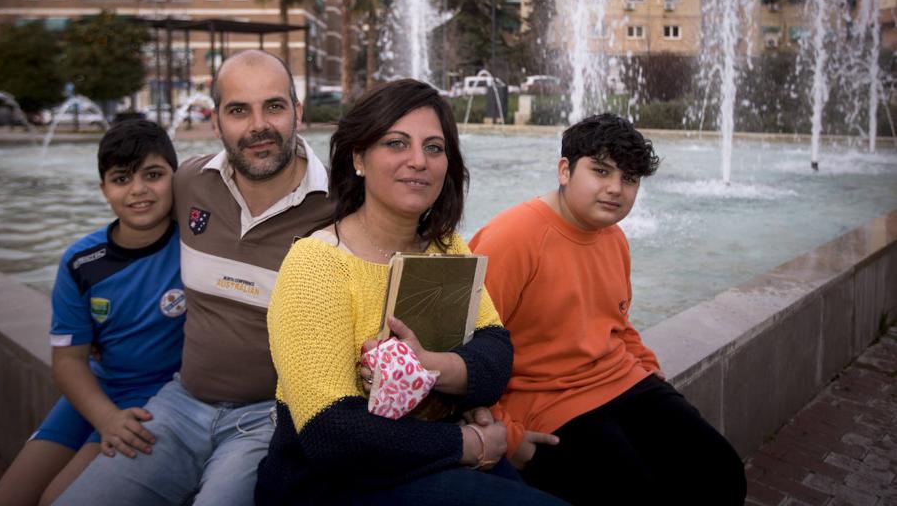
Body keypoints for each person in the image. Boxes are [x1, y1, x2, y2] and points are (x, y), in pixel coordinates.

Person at [255, 79, 569, 506]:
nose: (418, 161)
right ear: (359, 159)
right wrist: (468, 443)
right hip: (335, 485)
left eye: (434, 148)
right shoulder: (317, 264)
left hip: (427, 459)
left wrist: (431, 366)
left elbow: (495, 357)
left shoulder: (446, 248)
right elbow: (334, 433)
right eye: (396, 144)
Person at [55, 50, 333, 505]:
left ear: (298, 113)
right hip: (179, 404)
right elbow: (132, 219)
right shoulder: (190, 183)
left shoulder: (339, 205)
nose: (258, 125)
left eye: (274, 106)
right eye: (238, 110)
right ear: (215, 121)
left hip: (269, 420)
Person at [469, 113, 747, 505]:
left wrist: (650, 370)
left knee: (721, 474)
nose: (616, 189)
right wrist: (510, 439)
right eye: (601, 171)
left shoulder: (613, 237)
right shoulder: (512, 238)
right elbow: (466, 347)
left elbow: (617, 322)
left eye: (629, 179)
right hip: (546, 401)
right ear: (565, 170)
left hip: (621, 379)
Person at [0, 119, 183, 506]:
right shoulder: (82, 262)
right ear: (104, 189)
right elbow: (68, 362)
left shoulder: (196, 243)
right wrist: (105, 417)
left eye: (154, 175)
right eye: (121, 178)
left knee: (56, 499)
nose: (139, 189)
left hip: (155, 397)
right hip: (98, 390)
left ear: (176, 179)